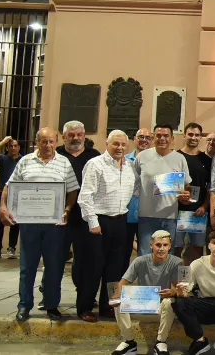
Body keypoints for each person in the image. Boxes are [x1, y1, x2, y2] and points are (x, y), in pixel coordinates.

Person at [0, 127, 79, 322]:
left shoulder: (64, 163)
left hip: (54, 225)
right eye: (44, 142)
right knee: (27, 267)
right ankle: (24, 305)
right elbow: (9, 186)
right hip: (29, 224)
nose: (48, 145)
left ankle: (52, 305)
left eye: (52, 141)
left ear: (56, 141)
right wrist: (2, 207)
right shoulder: (25, 161)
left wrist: (67, 210)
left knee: (54, 266)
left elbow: (72, 190)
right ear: (37, 142)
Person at [77, 129, 137, 322]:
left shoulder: (129, 166)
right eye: (115, 144)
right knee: (93, 267)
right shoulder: (95, 165)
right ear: (107, 144)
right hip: (99, 222)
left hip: (120, 221)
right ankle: (85, 307)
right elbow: (85, 196)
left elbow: (133, 191)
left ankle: (107, 306)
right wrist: (93, 222)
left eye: (122, 145)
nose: (119, 148)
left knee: (115, 268)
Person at [110, 230, 181, 355]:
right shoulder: (140, 261)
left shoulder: (176, 262)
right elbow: (122, 283)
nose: (161, 249)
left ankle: (160, 342)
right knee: (118, 300)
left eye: (165, 245)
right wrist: (115, 294)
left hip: (162, 309)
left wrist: (172, 291)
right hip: (141, 306)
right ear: (151, 245)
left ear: (170, 246)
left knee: (170, 302)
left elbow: (179, 289)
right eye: (158, 245)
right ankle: (129, 341)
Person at [134, 124, 193, 255]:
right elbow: (134, 183)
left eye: (166, 136)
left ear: (172, 138)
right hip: (146, 216)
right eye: (158, 135)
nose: (162, 139)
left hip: (170, 217)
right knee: (145, 256)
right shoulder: (142, 157)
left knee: (166, 257)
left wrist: (185, 195)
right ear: (153, 137)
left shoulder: (179, 158)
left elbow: (186, 185)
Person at [57, 120, 102, 290]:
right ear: (64, 137)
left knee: (84, 259)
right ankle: (49, 295)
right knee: (55, 257)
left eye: (79, 134)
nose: (75, 138)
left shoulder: (95, 156)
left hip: (85, 217)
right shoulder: (56, 154)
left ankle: (82, 293)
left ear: (84, 136)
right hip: (60, 215)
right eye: (71, 135)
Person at [175, 122, 212, 265]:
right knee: (176, 249)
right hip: (178, 212)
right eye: (190, 134)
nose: (193, 137)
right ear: (184, 135)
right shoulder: (176, 157)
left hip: (198, 212)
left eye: (197, 135)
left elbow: (210, 187)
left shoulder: (206, 160)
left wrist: (204, 206)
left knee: (197, 250)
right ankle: (176, 282)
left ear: (201, 137)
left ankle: (192, 283)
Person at [0, 135, 22, 260]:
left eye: (15, 146)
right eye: (10, 146)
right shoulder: (3, 159)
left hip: (17, 196)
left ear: (19, 147)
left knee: (15, 223)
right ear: (7, 147)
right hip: (1, 194)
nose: (13, 148)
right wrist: (2, 142)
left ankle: (11, 248)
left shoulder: (22, 160)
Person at [123, 128, 152, 267]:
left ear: (151, 141)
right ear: (134, 139)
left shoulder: (156, 160)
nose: (144, 140)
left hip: (149, 213)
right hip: (127, 213)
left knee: (146, 252)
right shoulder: (124, 160)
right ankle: (120, 284)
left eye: (147, 137)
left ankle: (144, 284)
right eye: (141, 137)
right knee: (123, 252)